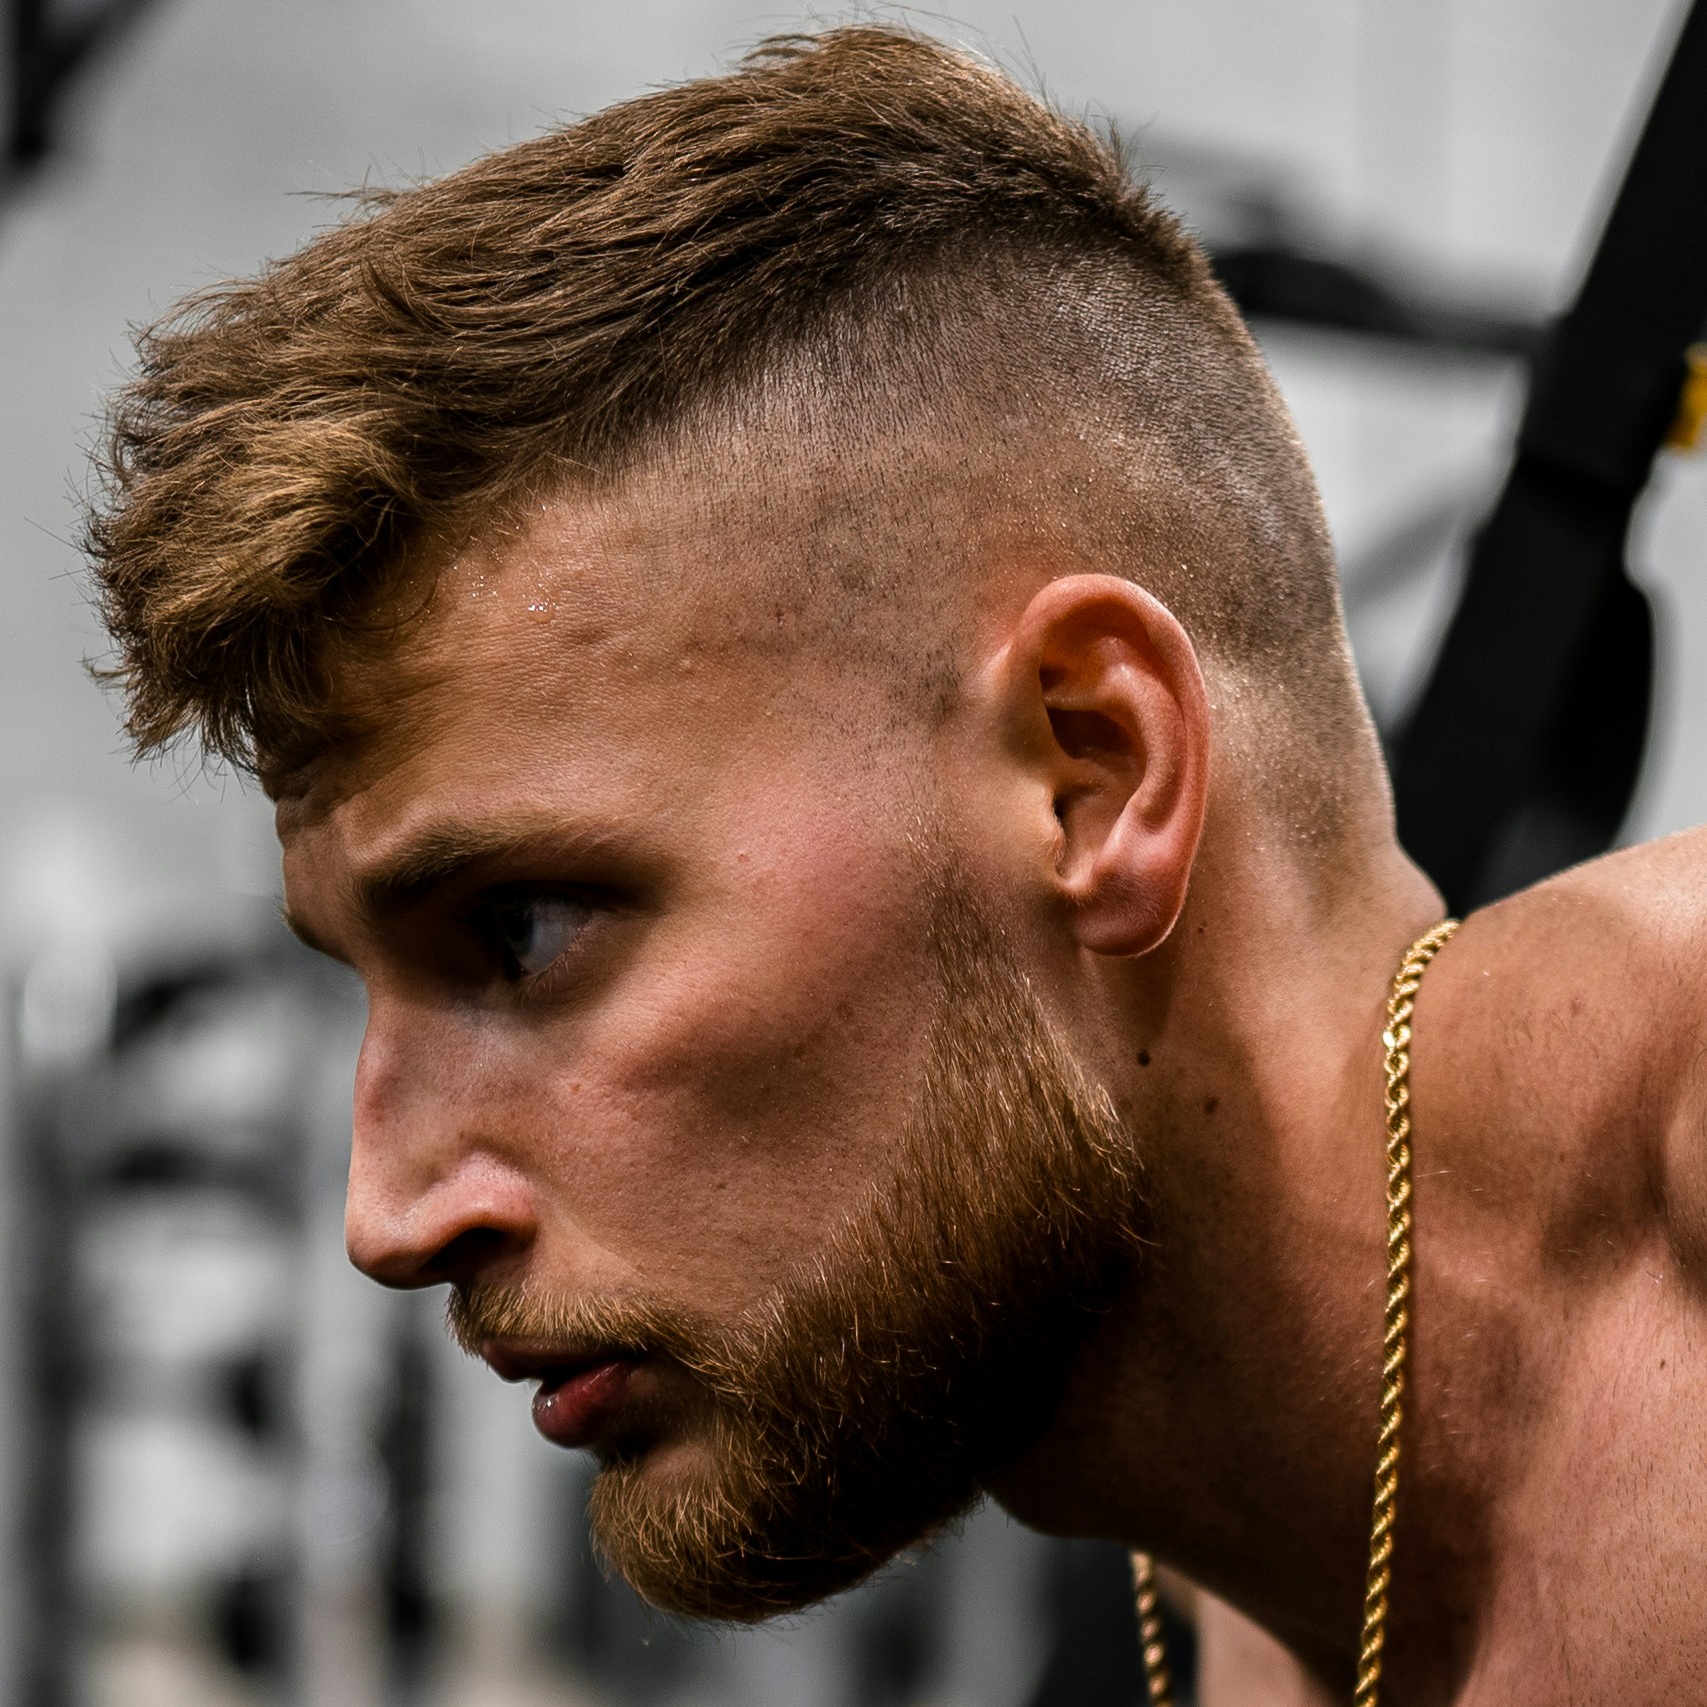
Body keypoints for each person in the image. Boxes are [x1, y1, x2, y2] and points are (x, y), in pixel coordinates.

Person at [86, 25, 1707, 1706]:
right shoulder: (1227, 1594)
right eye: (364, 981)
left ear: (1093, 775)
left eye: (526, 930)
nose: (390, 1215)